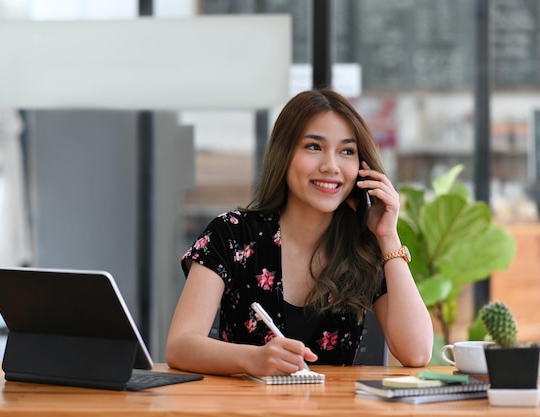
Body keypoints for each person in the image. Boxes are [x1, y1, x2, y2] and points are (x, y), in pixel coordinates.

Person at [166, 88, 433, 377]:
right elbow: (180, 346)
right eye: (314, 147)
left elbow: (416, 352)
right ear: (285, 153)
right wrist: (253, 359)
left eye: (346, 151)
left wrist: (387, 236)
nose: (331, 166)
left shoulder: (364, 245)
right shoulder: (231, 233)